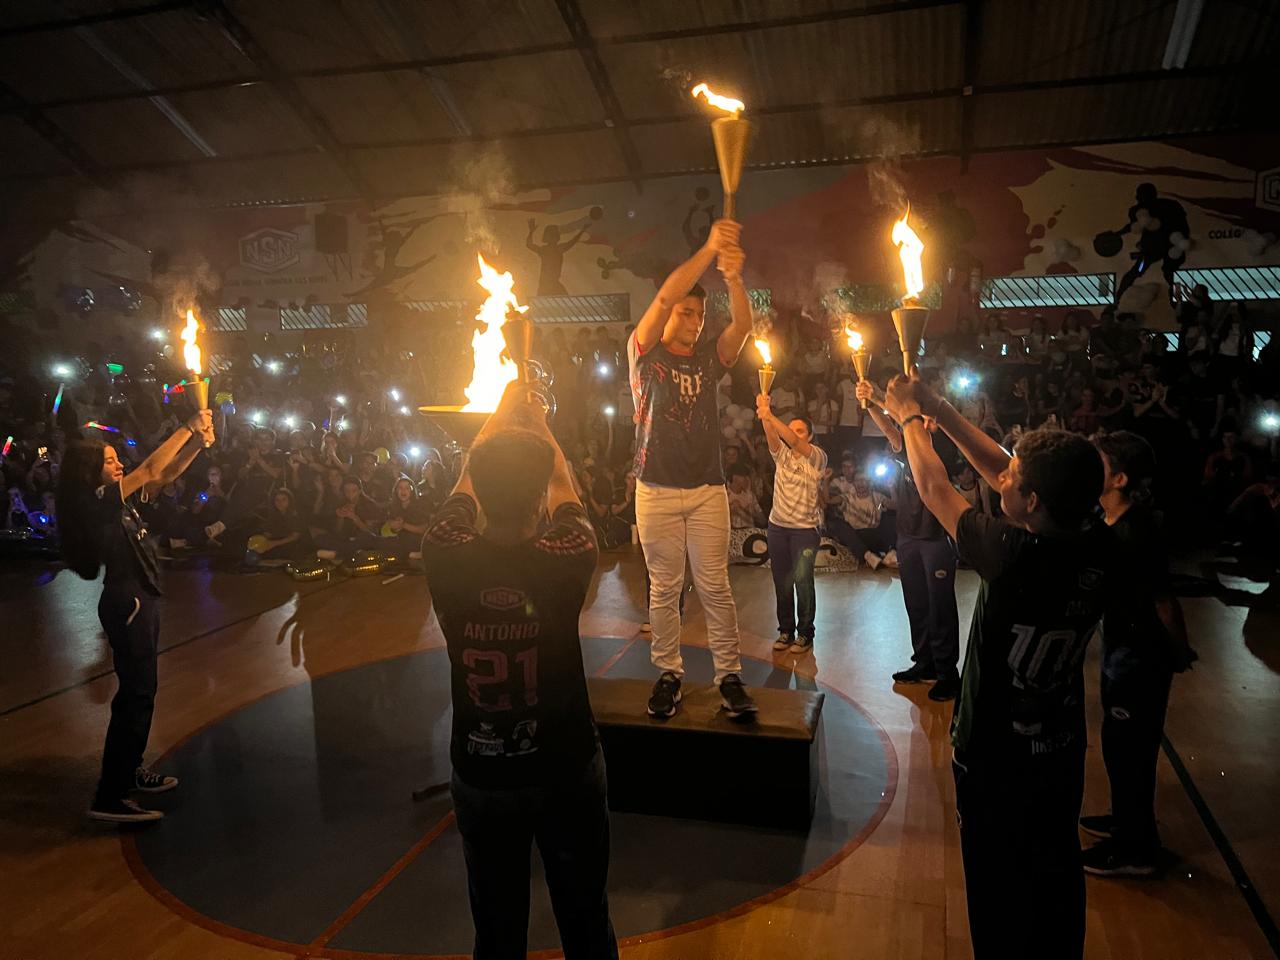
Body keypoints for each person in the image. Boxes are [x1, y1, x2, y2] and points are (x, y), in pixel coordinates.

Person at [880, 373, 1114, 960]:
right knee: (1056, 871)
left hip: (992, 754)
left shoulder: (1012, 554)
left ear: (1031, 503)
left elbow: (935, 488)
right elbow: (1009, 472)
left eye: (1013, 478)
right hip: (1057, 746)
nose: (1001, 474)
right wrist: (942, 409)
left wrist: (911, 419)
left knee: (997, 886)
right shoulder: (1098, 538)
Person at [421, 384, 616, 960]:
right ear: (536, 504)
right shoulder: (567, 555)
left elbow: (465, 479)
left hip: (482, 774)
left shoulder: (445, 551)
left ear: (480, 496)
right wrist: (533, 414)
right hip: (564, 767)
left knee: (498, 928)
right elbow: (562, 483)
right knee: (585, 917)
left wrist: (499, 413)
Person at [56, 407, 214, 823]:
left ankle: (130, 771)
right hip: (129, 603)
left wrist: (197, 444)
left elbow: (163, 476)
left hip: (139, 599)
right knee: (136, 696)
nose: (118, 464)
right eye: (109, 461)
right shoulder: (96, 501)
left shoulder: (114, 502)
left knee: (142, 692)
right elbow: (147, 469)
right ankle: (111, 795)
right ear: (91, 470)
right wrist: (188, 426)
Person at [627, 217, 758, 719]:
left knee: (715, 585)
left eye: (699, 316)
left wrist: (734, 277)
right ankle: (669, 673)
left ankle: (728, 676)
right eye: (686, 313)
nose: (693, 322)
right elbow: (662, 298)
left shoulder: (707, 358)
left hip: (707, 488)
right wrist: (708, 248)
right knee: (664, 587)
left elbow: (742, 327)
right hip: (655, 488)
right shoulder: (643, 352)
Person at [1081, 431, 1196, 877]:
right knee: (1117, 743)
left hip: (1140, 656)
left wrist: (1180, 648)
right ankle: (1126, 820)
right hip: (1120, 650)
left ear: (1121, 478)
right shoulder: (1107, 521)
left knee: (1131, 748)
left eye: (1102, 463)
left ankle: (1136, 848)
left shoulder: (1136, 530)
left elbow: (1163, 599)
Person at [856, 379, 960, 701]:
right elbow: (890, 430)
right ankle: (924, 663)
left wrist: (877, 398)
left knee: (940, 606)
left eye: (926, 415)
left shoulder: (942, 447)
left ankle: (947, 673)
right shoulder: (904, 446)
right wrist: (870, 402)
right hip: (908, 537)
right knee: (916, 604)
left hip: (936, 539)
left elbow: (902, 425)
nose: (920, 420)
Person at [757, 398, 827, 656]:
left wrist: (771, 415)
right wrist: (765, 413)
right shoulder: (781, 455)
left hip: (804, 530)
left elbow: (796, 443)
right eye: (791, 429)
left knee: (802, 580)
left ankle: (805, 632)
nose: (794, 435)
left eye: (799, 430)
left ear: (809, 435)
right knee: (781, 580)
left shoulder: (817, 458)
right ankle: (785, 630)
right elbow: (772, 436)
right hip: (778, 527)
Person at [826, 458, 896, 569]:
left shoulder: (877, 496)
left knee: (890, 518)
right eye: (858, 480)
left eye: (864, 480)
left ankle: (891, 553)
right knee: (840, 526)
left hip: (874, 535)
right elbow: (828, 501)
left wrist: (892, 486)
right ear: (853, 483)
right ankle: (867, 556)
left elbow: (895, 506)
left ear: (869, 482)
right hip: (857, 537)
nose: (861, 483)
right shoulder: (848, 497)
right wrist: (826, 480)